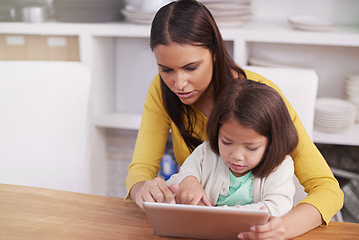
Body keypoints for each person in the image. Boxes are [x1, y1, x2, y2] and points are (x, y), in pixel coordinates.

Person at [125, 0, 343, 239]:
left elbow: (327, 189)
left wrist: (282, 228)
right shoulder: (161, 91)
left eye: (191, 67)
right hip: (197, 228)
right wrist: (142, 191)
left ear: (215, 53)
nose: (178, 84)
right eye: (166, 69)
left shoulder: (262, 98)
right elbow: (142, 170)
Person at [166, 79, 298, 218]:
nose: (237, 156)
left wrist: (218, 214)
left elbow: (278, 207)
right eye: (226, 142)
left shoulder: (280, 166)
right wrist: (187, 180)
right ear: (217, 132)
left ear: (272, 143)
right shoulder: (205, 153)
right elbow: (174, 185)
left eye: (251, 148)